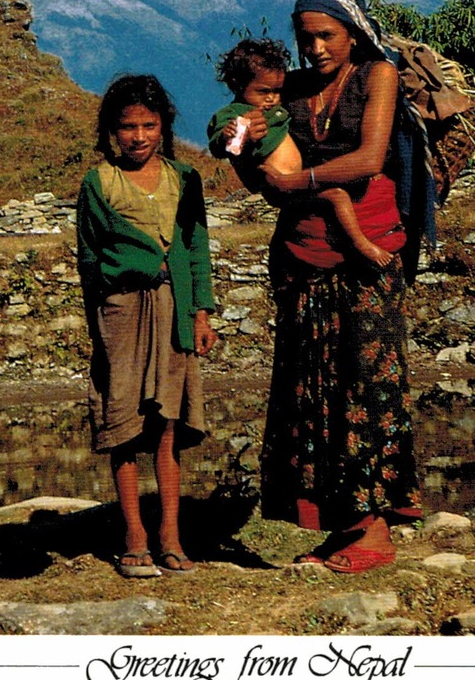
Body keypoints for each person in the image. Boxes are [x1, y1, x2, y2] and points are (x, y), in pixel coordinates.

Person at [258, 0, 427, 574]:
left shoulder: (376, 75)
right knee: (315, 387)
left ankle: (376, 530)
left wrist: (297, 184)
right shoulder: (298, 88)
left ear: (352, 31)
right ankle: (343, 523)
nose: (316, 47)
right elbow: (269, 159)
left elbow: (369, 158)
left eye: (327, 35)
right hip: (306, 257)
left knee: (366, 386)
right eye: (306, 37)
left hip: (365, 255)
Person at [77, 74, 217, 577]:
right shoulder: (99, 183)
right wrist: (101, 321)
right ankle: (134, 537)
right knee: (124, 422)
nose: (138, 136)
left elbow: (196, 247)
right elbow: (90, 258)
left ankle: (171, 536)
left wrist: (202, 311)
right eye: (127, 127)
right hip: (120, 312)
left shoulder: (185, 179)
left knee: (168, 425)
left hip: (175, 309)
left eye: (148, 125)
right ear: (112, 131)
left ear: (164, 126)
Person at [207, 38, 396, 266]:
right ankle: (361, 243)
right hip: (280, 185)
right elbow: (226, 147)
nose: (272, 98)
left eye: (277, 91)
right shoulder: (238, 115)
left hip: (294, 180)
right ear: (238, 86)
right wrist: (237, 136)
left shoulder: (278, 105)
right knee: (337, 197)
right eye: (264, 91)